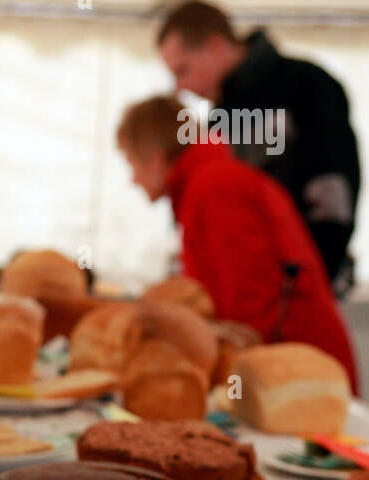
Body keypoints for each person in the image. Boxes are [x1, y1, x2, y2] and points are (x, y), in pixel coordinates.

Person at [117, 95, 358, 390]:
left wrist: (227, 385)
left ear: (154, 158)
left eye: (131, 162)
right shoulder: (210, 181)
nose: (132, 180)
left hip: (303, 375)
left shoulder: (214, 188)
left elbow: (250, 308)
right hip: (293, 367)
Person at [157, 2, 360, 291]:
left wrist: (306, 285)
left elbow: (333, 196)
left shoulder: (306, 85)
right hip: (246, 293)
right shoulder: (219, 119)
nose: (179, 87)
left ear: (215, 46)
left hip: (301, 291)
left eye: (182, 70)